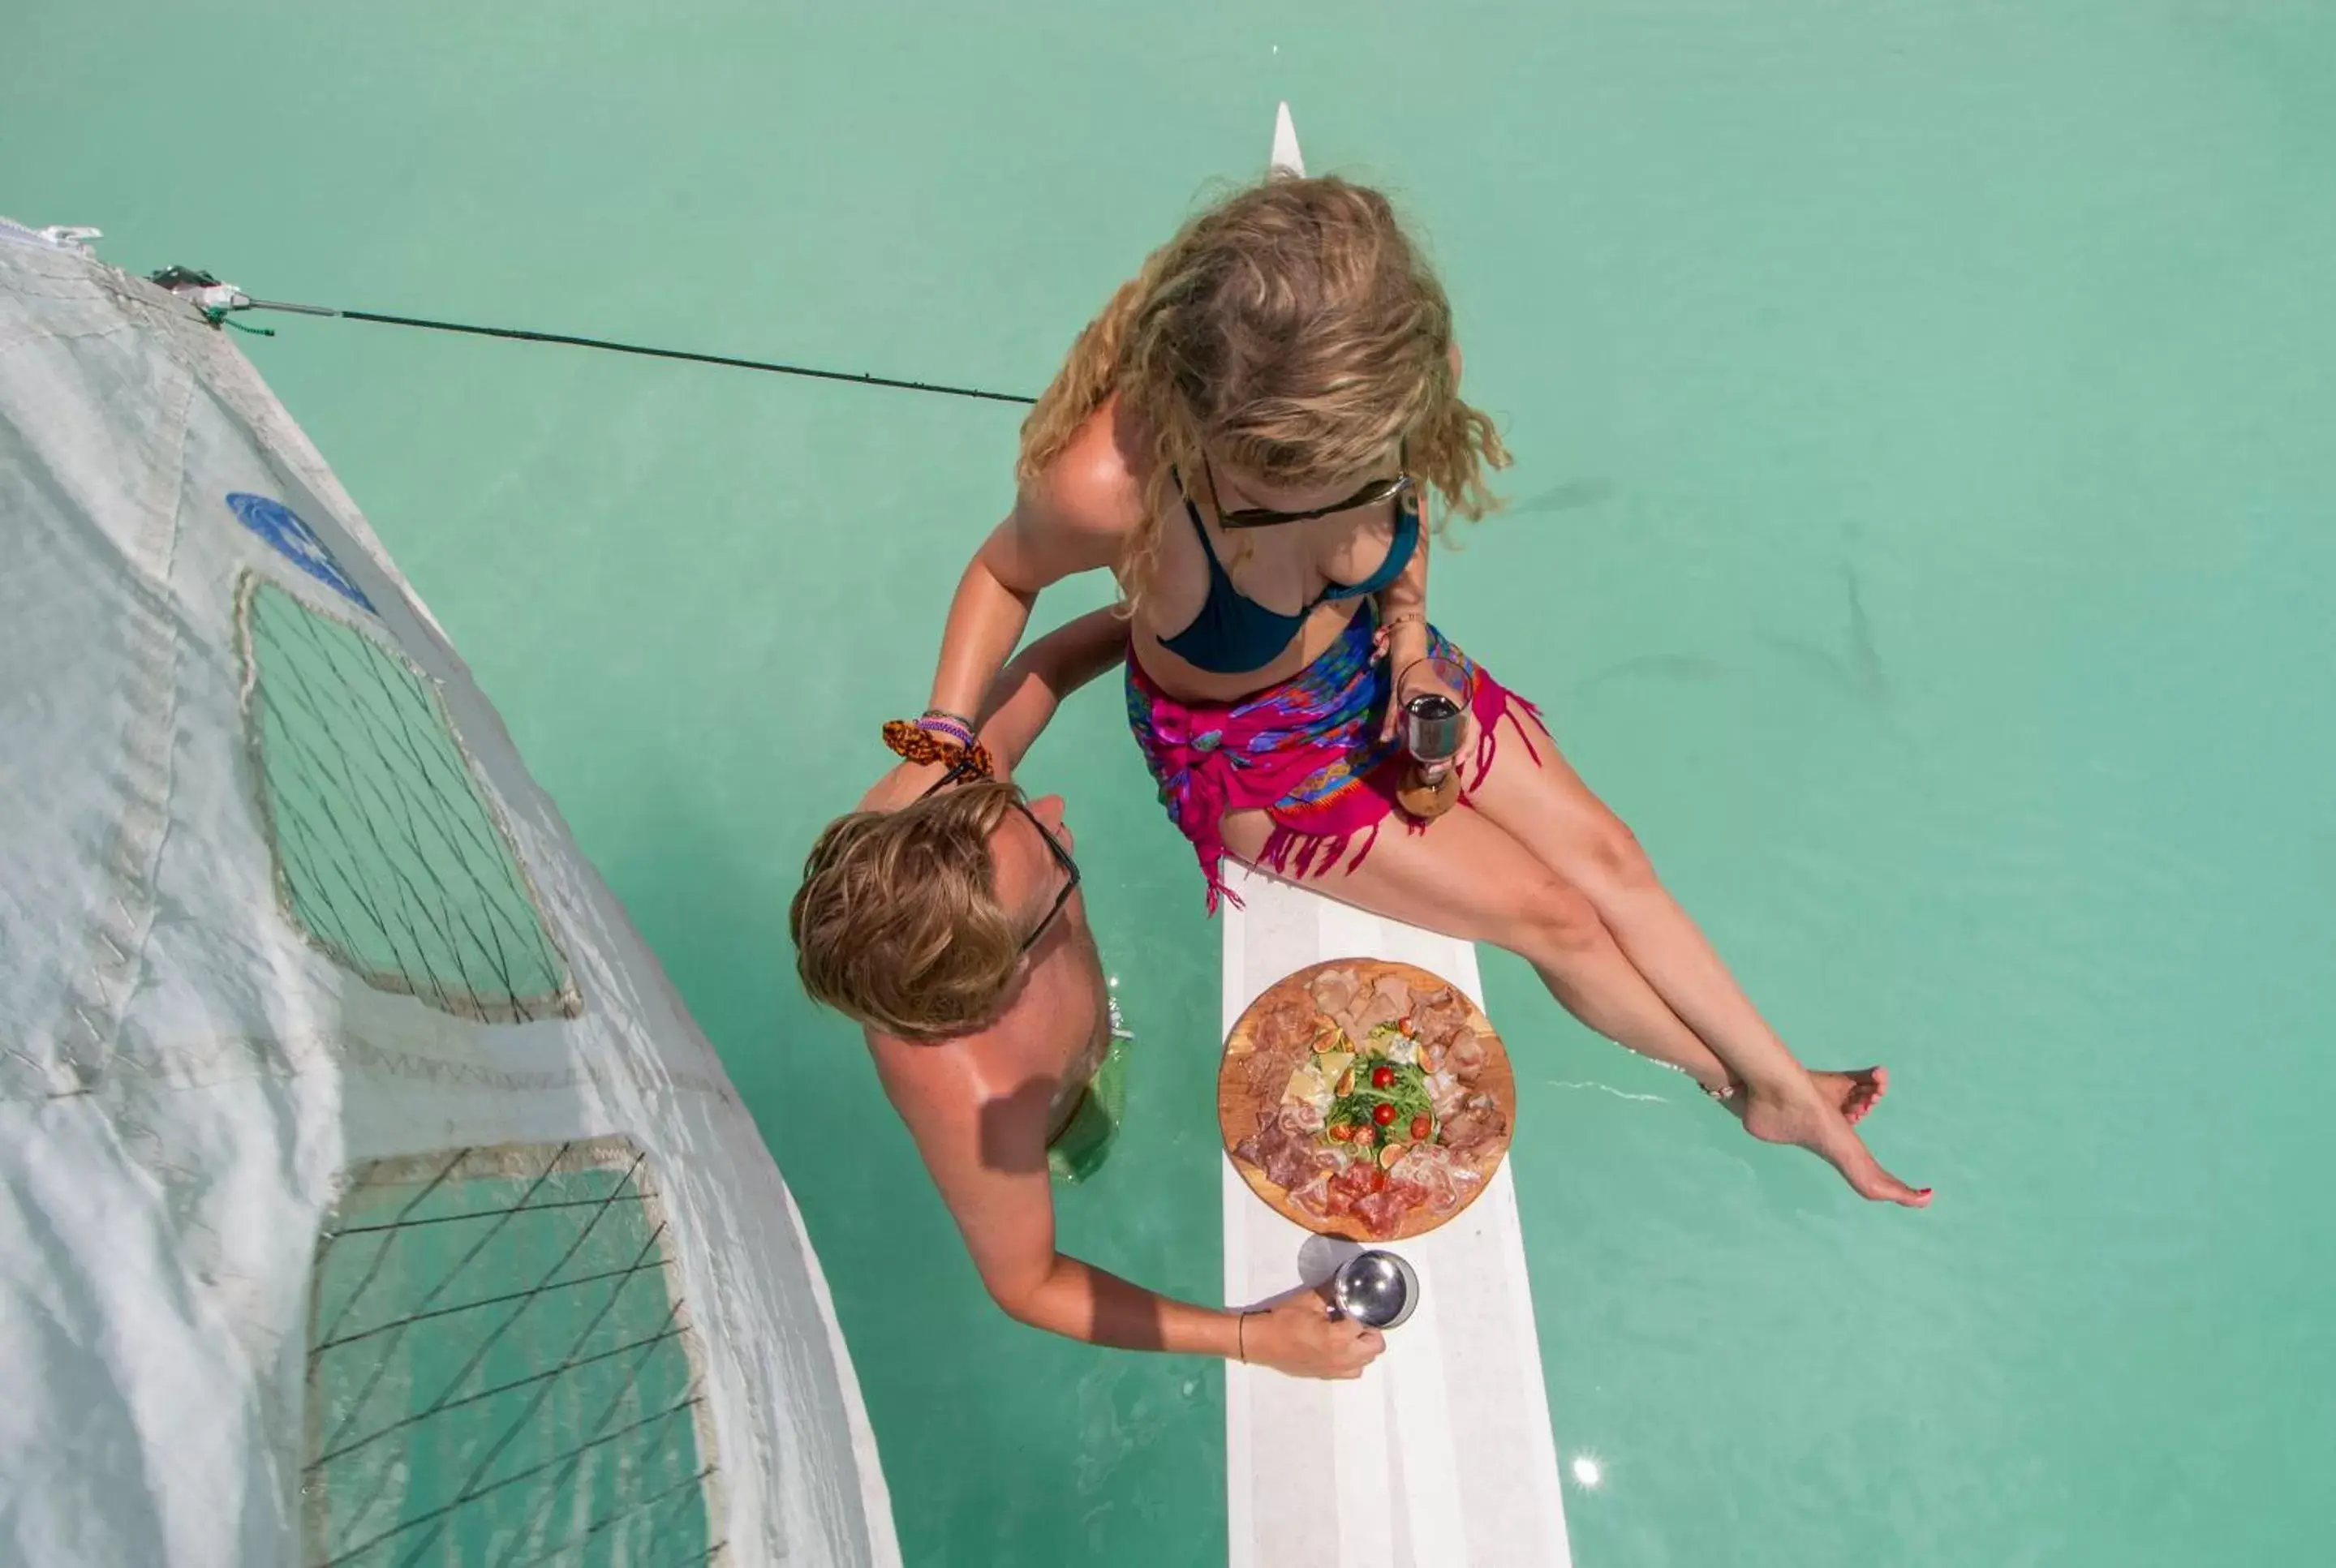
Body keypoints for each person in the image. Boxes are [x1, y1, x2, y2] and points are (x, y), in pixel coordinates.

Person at [915, 174, 1931, 1207]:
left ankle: (1779, 1083)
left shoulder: (1389, 376)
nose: (1355, 488)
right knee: (1556, 915)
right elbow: (1003, 575)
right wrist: (944, 748)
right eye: (1303, 484)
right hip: (1259, 758)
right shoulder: (1108, 486)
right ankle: (1750, 1088)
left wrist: (1404, 645)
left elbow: (1402, 501)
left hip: (1383, 666)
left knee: (1610, 854)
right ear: (1214, 428)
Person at [789, 608, 1385, 1378]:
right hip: (1063, 1119)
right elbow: (1028, 1285)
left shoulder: (947, 803)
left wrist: (1158, 619)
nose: (1054, 810)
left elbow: (1049, 668)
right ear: (1007, 971)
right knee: (1092, 1145)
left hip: (1047, 995)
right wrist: (1251, 1337)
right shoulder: (981, 1102)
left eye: (1018, 805)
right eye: (1050, 849)